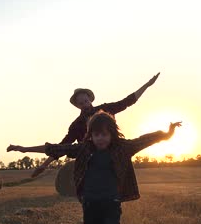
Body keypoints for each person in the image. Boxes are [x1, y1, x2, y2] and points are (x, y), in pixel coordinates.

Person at [7, 111, 182, 224]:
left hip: (112, 204)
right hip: (90, 204)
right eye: (96, 134)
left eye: (104, 134)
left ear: (111, 134)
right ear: (90, 135)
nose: (100, 139)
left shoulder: (122, 148)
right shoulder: (83, 149)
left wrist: (168, 133)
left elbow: (146, 139)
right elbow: (55, 148)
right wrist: (24, 149)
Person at [18, 73, 160, 178]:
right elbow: (61, 147)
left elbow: (127, 101)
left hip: (112, 153)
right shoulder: (76, 125)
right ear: (77, 106)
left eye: (86, 101)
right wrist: (43, 165)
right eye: (81, 103)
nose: (85, 105)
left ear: (90, 100)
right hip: (91, 159)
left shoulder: (105, 109)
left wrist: (147, 85)